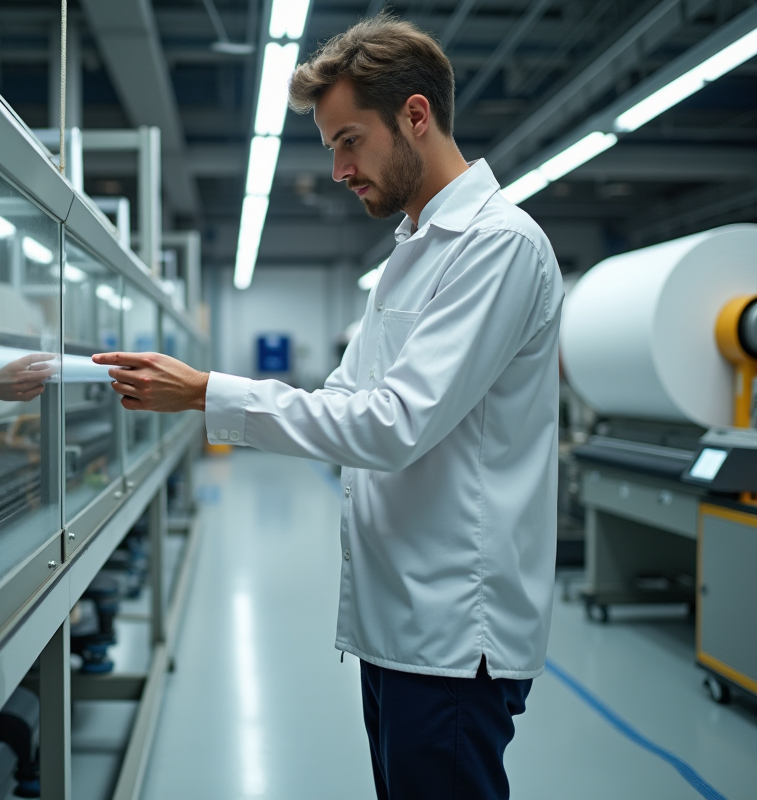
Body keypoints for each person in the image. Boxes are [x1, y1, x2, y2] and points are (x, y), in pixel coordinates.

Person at [93, 14, 562, 800]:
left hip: (451, 632)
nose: (340, 168)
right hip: (398, 622)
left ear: (416, 115)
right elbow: (344, 398)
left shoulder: (496, 246)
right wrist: (217, 398)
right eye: (333, 147)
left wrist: (208, 392)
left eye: (350, 140)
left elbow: (391, 425)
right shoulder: (412, 254)